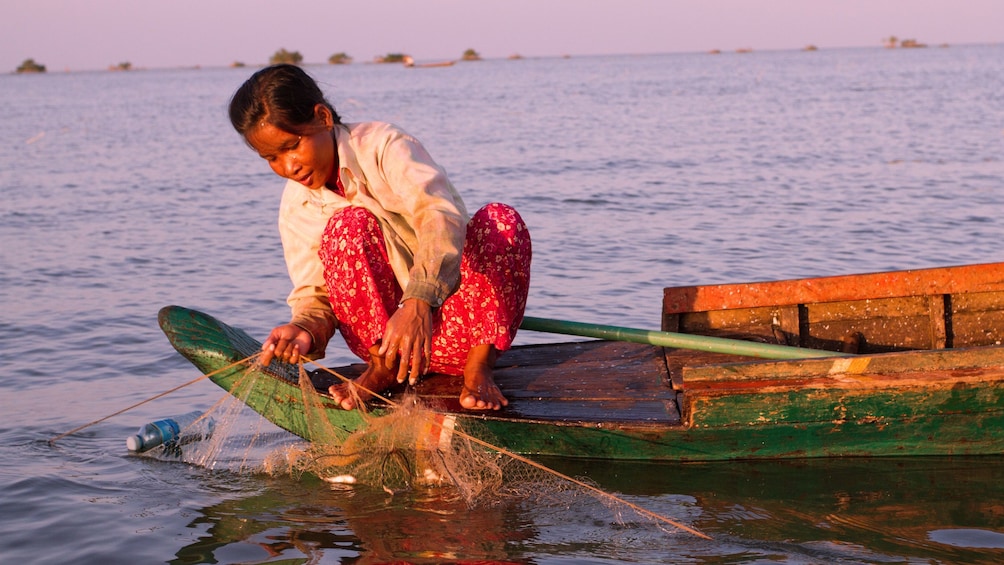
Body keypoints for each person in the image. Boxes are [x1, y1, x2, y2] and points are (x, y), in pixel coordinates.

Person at [228, 64, 531, 410]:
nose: (288, 166)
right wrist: (305, 328)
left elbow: (438, 214)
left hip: (456, 329)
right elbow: (315, 294)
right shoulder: (296, 205)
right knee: (348, 225)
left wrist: (418, 301)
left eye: (292, 145)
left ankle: (479, 370)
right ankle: (383, 370)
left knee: (501, 220)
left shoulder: (383, 145)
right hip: (389, 346)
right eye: (272, 158)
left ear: (323, 117)